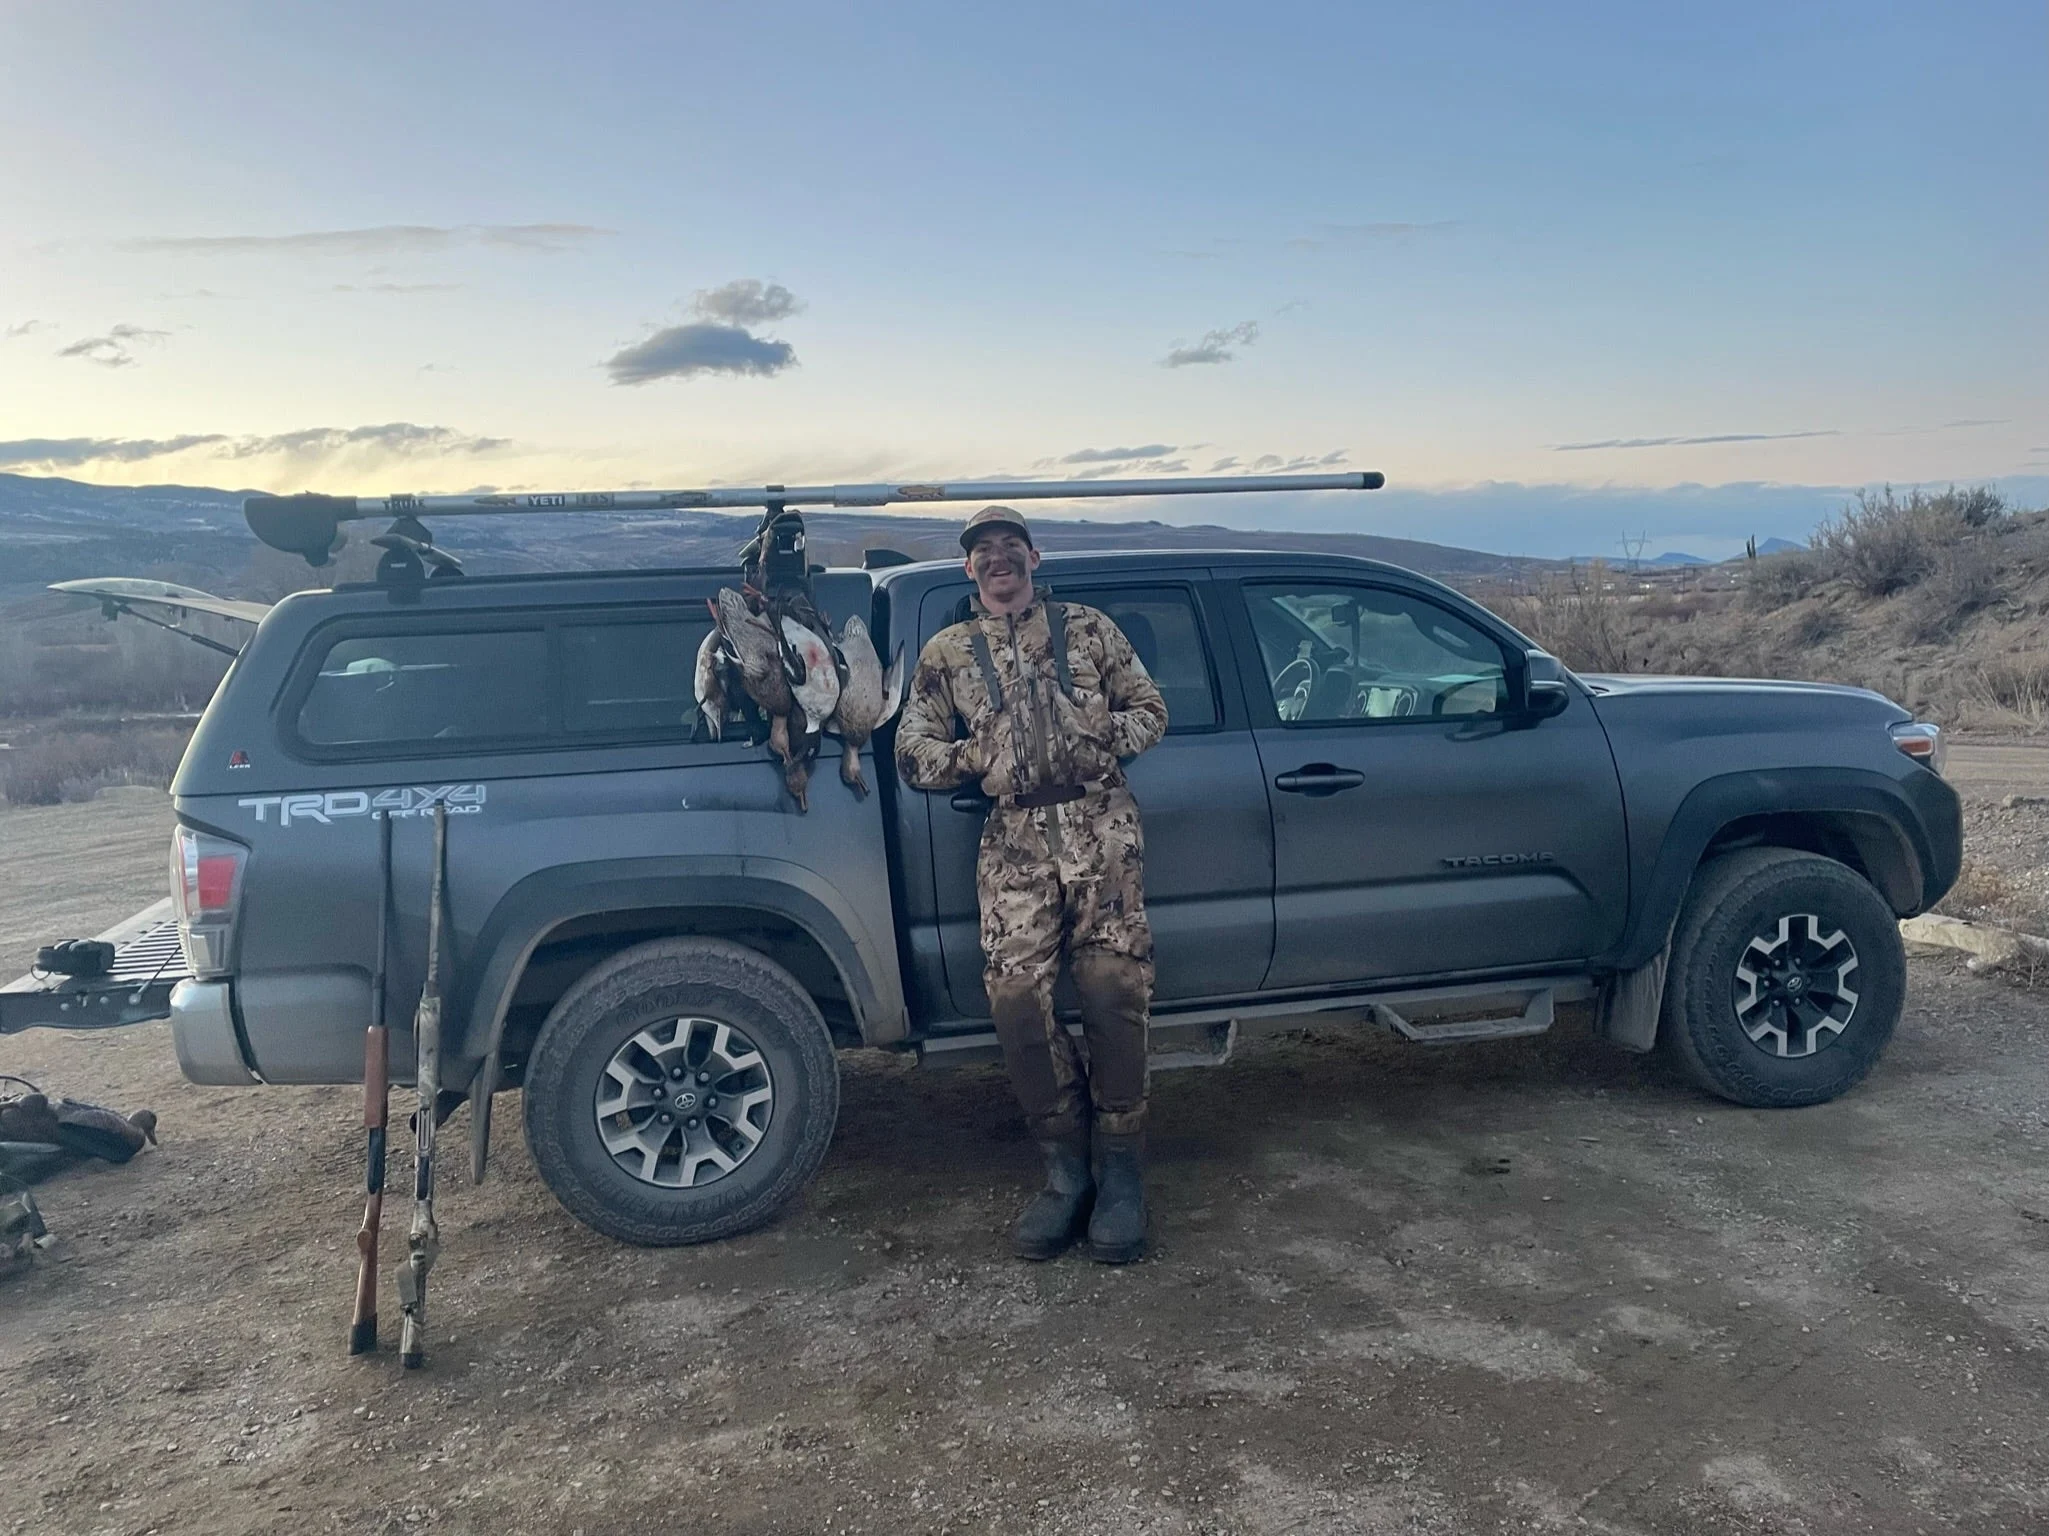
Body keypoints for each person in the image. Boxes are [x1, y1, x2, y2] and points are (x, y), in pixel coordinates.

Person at [895, 506, 1169, 1262]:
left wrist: (1101, 733)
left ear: (1034, 557)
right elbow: (911, 751)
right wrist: (972, 759)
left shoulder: (1088, 628)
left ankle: (1120, 1173)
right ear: (968, 570)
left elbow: (1150, 710)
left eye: (1009, 548)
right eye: (983, 552)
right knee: (1015, 1000)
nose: (997, 561)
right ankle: (1064, 1171)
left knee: (1114, 987)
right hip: (1012, 838)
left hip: (1101, 824)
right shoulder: (947, 652)